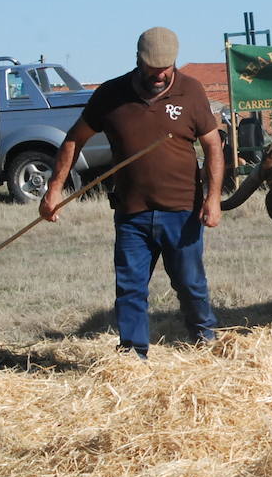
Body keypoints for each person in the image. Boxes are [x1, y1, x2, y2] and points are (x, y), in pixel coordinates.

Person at [40, 27, 224, 358]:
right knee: (130, 288)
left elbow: (212, 145)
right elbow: (73, 139)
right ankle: (132, 354)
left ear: (174, 62)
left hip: (181, 210)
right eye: (152, 68)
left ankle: (205, 339)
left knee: (189, 283)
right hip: (131, 213)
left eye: (165, 68)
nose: (159, 75)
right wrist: (54, 190)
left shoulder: (191, 91)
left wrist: (212, 199)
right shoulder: (111, 94)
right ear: (138, 60)